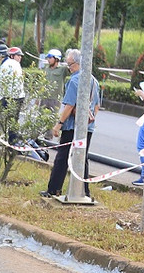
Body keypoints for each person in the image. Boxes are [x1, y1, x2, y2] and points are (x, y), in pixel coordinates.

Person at [41, 48, 101, 198]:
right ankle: (84, 191)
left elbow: (69, 105)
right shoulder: (94, 80)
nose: (69, 67)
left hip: (72, 127)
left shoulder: (74, 80)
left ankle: (53, 189)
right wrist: (90, 119)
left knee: (62, 158)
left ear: (78, 63)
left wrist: (59, 124)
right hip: (88, 126)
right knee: (82, 158)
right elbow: (97, 105)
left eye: (70, 64)